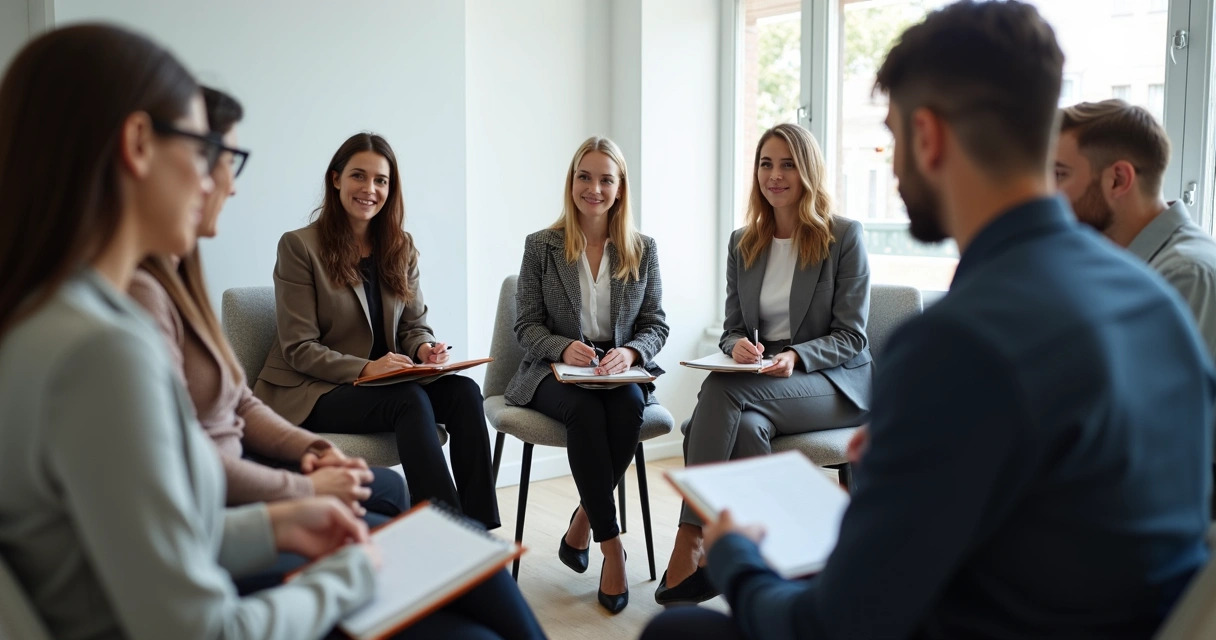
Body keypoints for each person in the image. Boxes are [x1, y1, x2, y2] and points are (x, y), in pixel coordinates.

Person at [642, 1, 1214, 638]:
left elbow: (834, 626)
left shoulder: (956, 342)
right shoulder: (1155, 299)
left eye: (891, 136)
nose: (891, 165)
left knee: (675, 633)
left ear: (928, 136)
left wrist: (738, 559)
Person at [0, 24, 375, 639]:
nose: (212, 181)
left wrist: (276, 525)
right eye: (202, 151)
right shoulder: (102, 351)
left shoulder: (45, 318)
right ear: (138, 143)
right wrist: (348, 578)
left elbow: (133, 540)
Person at [128, 87, 408, 528]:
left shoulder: (181, 275)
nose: (229, 185)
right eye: (219, 161)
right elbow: (178, 458)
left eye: (381, 181)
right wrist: (305, 491)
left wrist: (314, 450)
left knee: (403, 474)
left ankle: (467, 536)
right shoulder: (139, 296)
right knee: (387, 506)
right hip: (246, 466)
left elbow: (237, 401)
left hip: (239, 458)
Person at [656, 122, 871, 606]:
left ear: (807, 171)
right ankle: (766, 570)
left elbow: (852, 336)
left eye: (787, 165)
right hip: (764, 382)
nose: (775, 175)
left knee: (719, 394)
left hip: (833, 383)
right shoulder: (743, 242)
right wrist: (737, 348)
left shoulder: (842, 236)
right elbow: (732, 327)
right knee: (748, 428)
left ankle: (692, 536)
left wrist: (796, 355)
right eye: (766, 164)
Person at [253, 133, 500, 530]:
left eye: (381, 180)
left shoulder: (400, 246)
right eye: (358, 176)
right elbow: (299, 347)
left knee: (465, 394)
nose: (370, 189)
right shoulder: (299, 247)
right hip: (315, 390)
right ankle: (446, 532)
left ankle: (479, 530)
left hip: (385, 385)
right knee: (409, 401)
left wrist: (424, 350)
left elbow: (414, 325)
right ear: (336, 179)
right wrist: (368, 369)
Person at [507, 136, 668, 613]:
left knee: (629, 409)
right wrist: (562, 347)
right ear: (572, 181)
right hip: (553, 373)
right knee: (585, 412)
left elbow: (656, 325)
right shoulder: (541, 246)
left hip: (618, 372)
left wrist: (632, 353)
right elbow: (525, 325)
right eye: (584, 176)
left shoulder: (643, 249)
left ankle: (583, 519)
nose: (593, 188)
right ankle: (612, 547)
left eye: (605, 179)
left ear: (620, 188)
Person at [1055, 100, 1216, 360]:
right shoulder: (1114, 263)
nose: (1046, 192)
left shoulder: (1187, 276)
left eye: (1059, 175)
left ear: (1118, 180)